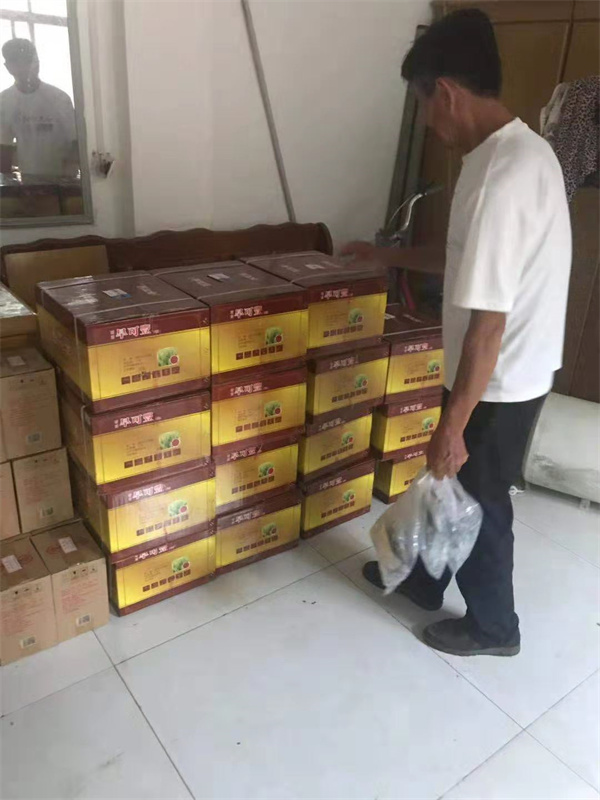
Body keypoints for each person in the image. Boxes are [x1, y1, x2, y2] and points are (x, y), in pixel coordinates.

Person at [342, 9, 571, 657]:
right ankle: (421, 580)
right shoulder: (517, 151)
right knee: (450, 483)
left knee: (479, 496)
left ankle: (496, 628)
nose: (426, 122)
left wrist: (453, 424)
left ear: (444, 92)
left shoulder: (500, 176)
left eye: (423, 104)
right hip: (511, 368)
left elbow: (488, 324)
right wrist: (385, 256)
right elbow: (464, 258)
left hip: (498, 375)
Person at [0, 38, 78, 178]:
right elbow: (4, 147)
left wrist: (69, 173)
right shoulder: (4, 101)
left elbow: (76, 141)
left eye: (29, 61)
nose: (26, 67)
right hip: (27, 180)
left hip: (63, 180)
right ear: (8, 67)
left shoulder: (59, 98)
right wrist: (8, 184)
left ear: (38, 62)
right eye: (18, 62)